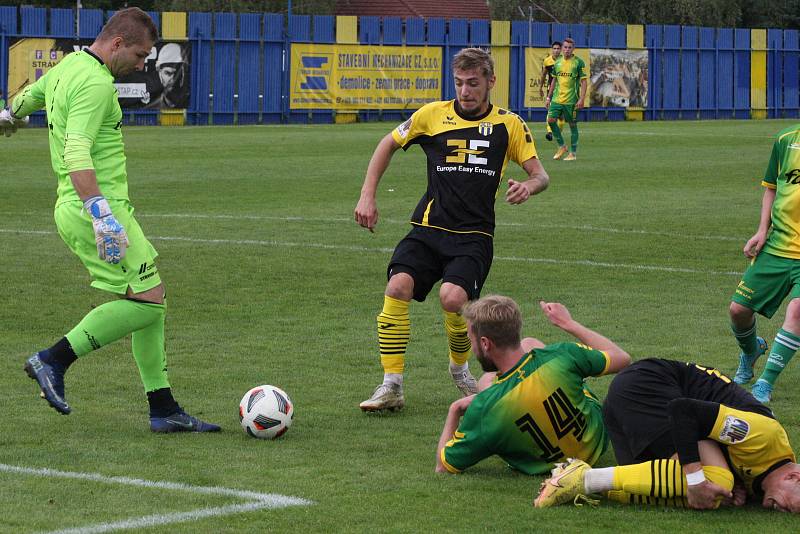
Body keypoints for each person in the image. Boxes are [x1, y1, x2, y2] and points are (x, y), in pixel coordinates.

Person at [5, 8, 219, 433]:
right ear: (117, 43)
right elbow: (77, 151)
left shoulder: (68, 67)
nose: (143, 65)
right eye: (140, 55)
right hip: (96, 209)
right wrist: (102, 216)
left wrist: (9, 114)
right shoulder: (96, 83)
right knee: (150, 299)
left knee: (149, 301)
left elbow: (29, 98)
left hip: (81, 207)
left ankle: (163, 409)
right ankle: (52, 359)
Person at [354, 48, 550, 412]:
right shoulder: (432, 115)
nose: (465, 91)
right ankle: (391, 385)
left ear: (491, 82)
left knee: (453, 298)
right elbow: (388, 144)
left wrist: (528, 186)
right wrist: (368, 195)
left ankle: (459, 369)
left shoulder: (509, 125)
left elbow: (540, 175)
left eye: (473, 83)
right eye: (459, 83)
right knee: (397, 286)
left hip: (474, 236)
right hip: (427, 228)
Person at [534, 358, 800, 512]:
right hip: (646, 387)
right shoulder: (763, 436)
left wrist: (736, 492)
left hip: (631, 406)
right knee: (715, 479)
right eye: (792, 505)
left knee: (707, 489)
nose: (784, 512)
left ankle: (592, 487)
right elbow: (682, 410)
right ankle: (583, 478)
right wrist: (696, 480)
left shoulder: (767, 474)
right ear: (793, 476)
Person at [435, 295, 631, 475]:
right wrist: (568, 323)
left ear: (485, 343)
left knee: (487, 381)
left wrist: (455, 409)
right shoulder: (561, 355)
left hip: (548, 465)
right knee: (530, 344)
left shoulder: (485, 408)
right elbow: (622, 358)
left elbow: (443, 466)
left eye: (471, 339)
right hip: (595, 443)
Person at [730, 124, 800, 403]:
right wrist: (762, 230)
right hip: (778, 246)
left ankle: (765, 383)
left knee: (797, 311)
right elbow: (771, 188)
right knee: (738, 310)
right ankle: (751, 351)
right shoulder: (786, 140)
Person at [546, 37, 587, 161]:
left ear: (573, 49)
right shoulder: (557, 62)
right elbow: (554, 80)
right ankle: (562, 146)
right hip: (557, 99)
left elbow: (584, 82)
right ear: (562, 48)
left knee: (572, 125)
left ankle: (573, 154)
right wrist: (548, 97)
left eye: (569, 47)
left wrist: (581, 99)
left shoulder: (578, 63)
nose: (567, 50)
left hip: (571, 100)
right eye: (565, 47)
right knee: (551, 120)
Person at [146, 43, 187, 109]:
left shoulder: (190, 103)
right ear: (159, 72)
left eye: (178, 74)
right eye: (168, 73)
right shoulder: (153, 107)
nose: (173, 79)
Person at [538, 41, 564, 142]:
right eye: (554, 48)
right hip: (552, 89)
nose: (556, 50)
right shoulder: (547, 61)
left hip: (563, 91)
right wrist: (540, 88)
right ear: (552, 49)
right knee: (551, 111)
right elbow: (544, 75)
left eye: (558, 49)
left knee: (561, 117)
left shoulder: (564, 61)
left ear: (561, 50)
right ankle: (549, 132)